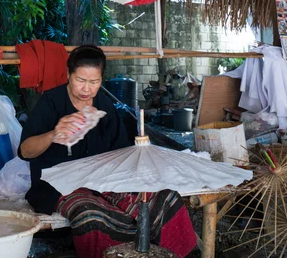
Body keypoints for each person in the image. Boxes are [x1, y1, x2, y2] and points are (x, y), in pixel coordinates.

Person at [19, 45, 197, 258]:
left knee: (164, 197)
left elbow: (120, 153)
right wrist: (54, 134)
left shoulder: (105, 106)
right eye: (80, 81)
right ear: (68, 75)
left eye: (94, 82)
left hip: (102, 180)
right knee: (92, 216)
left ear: (101, 80)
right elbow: (25, 151)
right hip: (58, 186)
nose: (86, 89)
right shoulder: (51, 102)